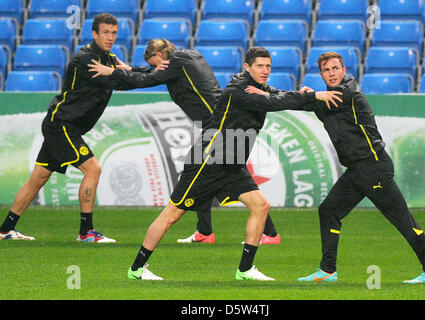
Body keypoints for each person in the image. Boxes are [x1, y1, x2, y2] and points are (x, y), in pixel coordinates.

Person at [120, 47, 342, 281]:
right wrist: (312, 95)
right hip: (209, 160)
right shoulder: (240, 88)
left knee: (260, 206)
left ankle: (245, 270)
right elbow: (274, 102)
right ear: (247, 67)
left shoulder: (259, 87)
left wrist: (305, 94)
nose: (265, 71)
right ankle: (137, 269)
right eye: (259, 66)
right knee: (172, 214)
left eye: (268, 66)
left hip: (231, 162)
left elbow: (278, 96)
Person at [249, 51, 425, 284]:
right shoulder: (329, 96)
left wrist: (268, 94)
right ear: (321, 74)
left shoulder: (346, 93)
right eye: (326, 70)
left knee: (403, 222)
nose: (331, 73)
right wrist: (287, 93)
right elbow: (304, 102)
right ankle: (328, 270)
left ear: (344, 70)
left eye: (335, 68)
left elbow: (303, 102)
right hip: (357, 171)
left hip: (373, 168)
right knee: (329, 211)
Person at [87, 38, 281, 245]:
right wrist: (132, 68)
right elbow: (156, 74)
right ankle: (205, 231)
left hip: (215, 125)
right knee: (205, 178)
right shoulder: (189, 56)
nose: (156, 68)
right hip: (214, 121)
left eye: (155, 63)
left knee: (224, 173)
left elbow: (147, 80)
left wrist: (113, 72)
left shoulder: (176, 63)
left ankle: (268, 233)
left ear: (161, 56)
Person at [0, 13, 135, 242]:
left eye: (114, 33)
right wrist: (135, 73)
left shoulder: (109, 59)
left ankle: (5, 230)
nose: (110, 37)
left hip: (63, 126)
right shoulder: (88, 59)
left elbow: (123, 77)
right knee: (93, 169)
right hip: (62, 125)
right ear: (94, 34)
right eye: (106, 32)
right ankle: (86, 232)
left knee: (39, 178)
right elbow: (120, 81)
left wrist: (135, 71)